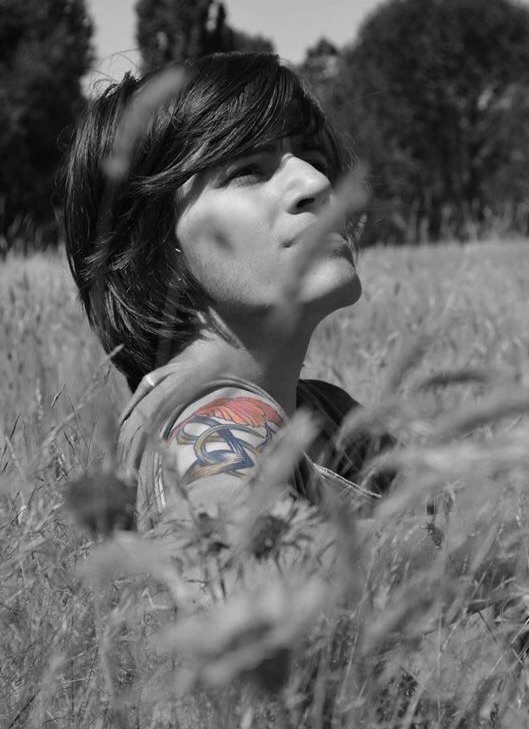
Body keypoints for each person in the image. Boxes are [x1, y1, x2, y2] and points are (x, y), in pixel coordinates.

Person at [63, 52, 391, 532]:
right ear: (157, 243)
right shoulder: (212, 426)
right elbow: (234, 550)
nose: (318, 183)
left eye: (315, 159)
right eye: (250, 169)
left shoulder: (331, 415)